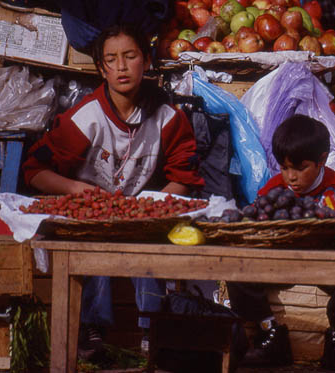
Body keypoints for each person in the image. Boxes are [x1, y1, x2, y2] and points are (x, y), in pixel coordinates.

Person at [21, 23, 204, 357]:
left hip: (136, 218)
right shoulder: (85, 118)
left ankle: (152, 332)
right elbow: (34, 170)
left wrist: (153, 205)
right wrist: (78, 189)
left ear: (146, 61)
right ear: (101, 68)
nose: (122, 66)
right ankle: (93, 332)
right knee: (97, 247)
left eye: (130, 56)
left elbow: (186, 176)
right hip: (91, 216)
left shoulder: (168, 118)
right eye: (111, 59)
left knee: (149, 248)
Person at [227, 114, 335, 373]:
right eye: (284, 167)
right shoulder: (271, 190)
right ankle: (270, 334)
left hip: (326, 262)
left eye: (300, 168)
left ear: (322, 160)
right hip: (281, 260)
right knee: (237, 269)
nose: (291, 177)